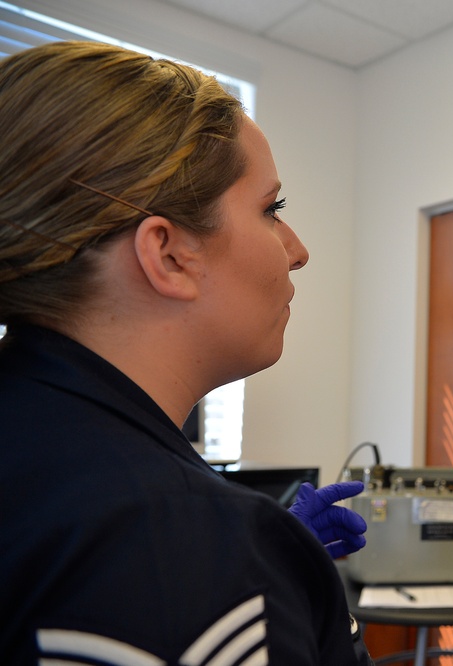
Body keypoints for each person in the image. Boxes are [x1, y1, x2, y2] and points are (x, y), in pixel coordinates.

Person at [0, 41, 373, 664]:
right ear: (169, 254)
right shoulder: (181, 543)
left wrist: (273, 561)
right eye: (270, 209)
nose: (298, 248)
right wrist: (245, 566)